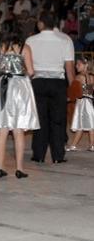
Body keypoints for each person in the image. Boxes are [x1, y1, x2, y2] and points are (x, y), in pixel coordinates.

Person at [0, 27, 39, 178]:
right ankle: (19, 168)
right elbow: (31, 72)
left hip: (2, 87)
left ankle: (0, 167)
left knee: (3, 129)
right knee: (18, 130)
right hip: (19, 87)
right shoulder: (25, 48)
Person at [25, 11, 75, 164]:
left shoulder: (30, 40)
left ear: (41, 23)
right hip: (57, 82)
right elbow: (69, 68)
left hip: (38, 81)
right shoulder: (65, 39)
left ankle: (38, 155)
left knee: (39, 119)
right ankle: (58, 156)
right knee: (58, 119)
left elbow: (27, 66)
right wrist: (72, 89)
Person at [67, 58, 94, 151]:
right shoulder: (92, 77)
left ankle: (73, 145)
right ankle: (92, 145)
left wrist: (69, 98)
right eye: (76, 64)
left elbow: (74, 91)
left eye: (79, 64)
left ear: (85, 65)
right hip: (90, 101)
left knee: (80, 124)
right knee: (90, 125)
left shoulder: (79, 77)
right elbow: (90, 91)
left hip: (82, 102)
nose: (76, 66)